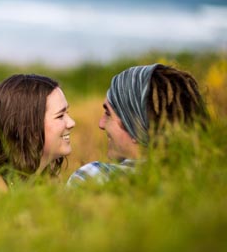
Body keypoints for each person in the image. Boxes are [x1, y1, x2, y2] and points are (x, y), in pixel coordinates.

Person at [68, 64, 208, 186]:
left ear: (135, 125)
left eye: (108, 113)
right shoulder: (202, 179)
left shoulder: (91, 178)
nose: (101, 124)